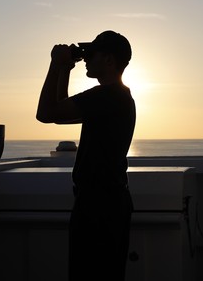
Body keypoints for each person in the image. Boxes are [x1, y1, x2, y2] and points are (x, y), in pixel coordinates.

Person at [36, 30, 136, 281]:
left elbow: (47, 113)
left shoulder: (106, 96)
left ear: (109, 60)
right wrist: (65, 70)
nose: (87, 61)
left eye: (92, 55)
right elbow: (60, 113)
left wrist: (55, 65)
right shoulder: (118, 97)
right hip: (107, 203)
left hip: (98, 208)